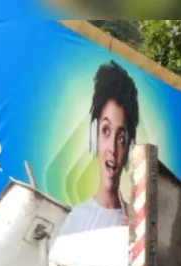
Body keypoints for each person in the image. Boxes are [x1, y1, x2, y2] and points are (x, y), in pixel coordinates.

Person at [59, 61, 141, 236]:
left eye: (121, 138)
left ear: (129, 149)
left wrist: (133, 242)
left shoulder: (137, 226)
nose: (112, 148)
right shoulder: (76, 220)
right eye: (105, 131)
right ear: (93, 136)